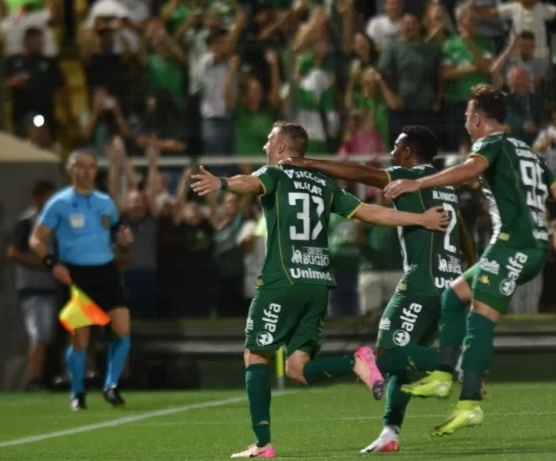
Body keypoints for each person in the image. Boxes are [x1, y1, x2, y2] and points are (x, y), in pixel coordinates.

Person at [190, 121, 450, 458]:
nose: (266, 146)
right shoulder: (323, 183)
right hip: (316, 285)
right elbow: (368, 212)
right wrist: (419, 219)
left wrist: (221, 182)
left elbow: (248, 183)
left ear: (283, 148)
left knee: (255, 355)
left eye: (270, 140)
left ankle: (263, 444)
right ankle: (356, 361)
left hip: (282, 282)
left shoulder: (276, 173)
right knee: (297, 368)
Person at [383, 84, 556, 435]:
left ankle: (469, 403)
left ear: (478, 118)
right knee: (454, 295)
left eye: (467, 114)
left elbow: (469, 170)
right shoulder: (527, 152)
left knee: (480, 316)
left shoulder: (490, 144)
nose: (465, 120)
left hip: (514, 244)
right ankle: (443, 375)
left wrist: (416, 185)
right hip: (527, 245)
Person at [281, 125, 476, 453]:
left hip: (421, 284)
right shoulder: (445, 187)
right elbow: (466, 237)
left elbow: (360, 173)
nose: (391, 154)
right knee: (400, 360)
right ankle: (390, 432)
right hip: (449, 285)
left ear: (408, 153)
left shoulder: (408, 177)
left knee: (385, 354)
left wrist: (307, 163)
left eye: (396, 147)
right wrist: (467, 278)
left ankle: (458, 365)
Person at [29, 149, 134, 411]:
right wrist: (53, 264)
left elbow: (117, 231)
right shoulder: (60, 203)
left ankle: (111, 385)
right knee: (80, 339)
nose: (87, 172)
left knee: (122, 328)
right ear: (70, 169)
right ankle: (77, 392)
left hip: (106, 270)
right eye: (81, 166)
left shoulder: (104, 201)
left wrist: (124, 240)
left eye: (91, 166)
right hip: (76, 275)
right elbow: (36, 239)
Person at [6, 180, 58, 391]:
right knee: (38, 333)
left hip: (51, 285)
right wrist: (43, 264)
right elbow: (13, 252)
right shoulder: (27, 221)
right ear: (38, 198)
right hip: (33, 287)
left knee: (48, 335)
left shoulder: (52, 222)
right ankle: (34, 379)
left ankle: (45, 377)